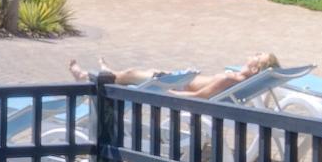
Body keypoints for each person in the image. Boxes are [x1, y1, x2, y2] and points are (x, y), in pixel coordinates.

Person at [70, 52, 286, 98]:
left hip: (175, 86)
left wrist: (168, 92)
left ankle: (88, 76)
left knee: (131, 74)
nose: (252, 54)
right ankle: (104, 73)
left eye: (257, 55)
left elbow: (200, 97)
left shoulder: (230, 79)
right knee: (132, 75)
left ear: (255, 69)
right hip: (179, 80)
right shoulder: (238, 79)